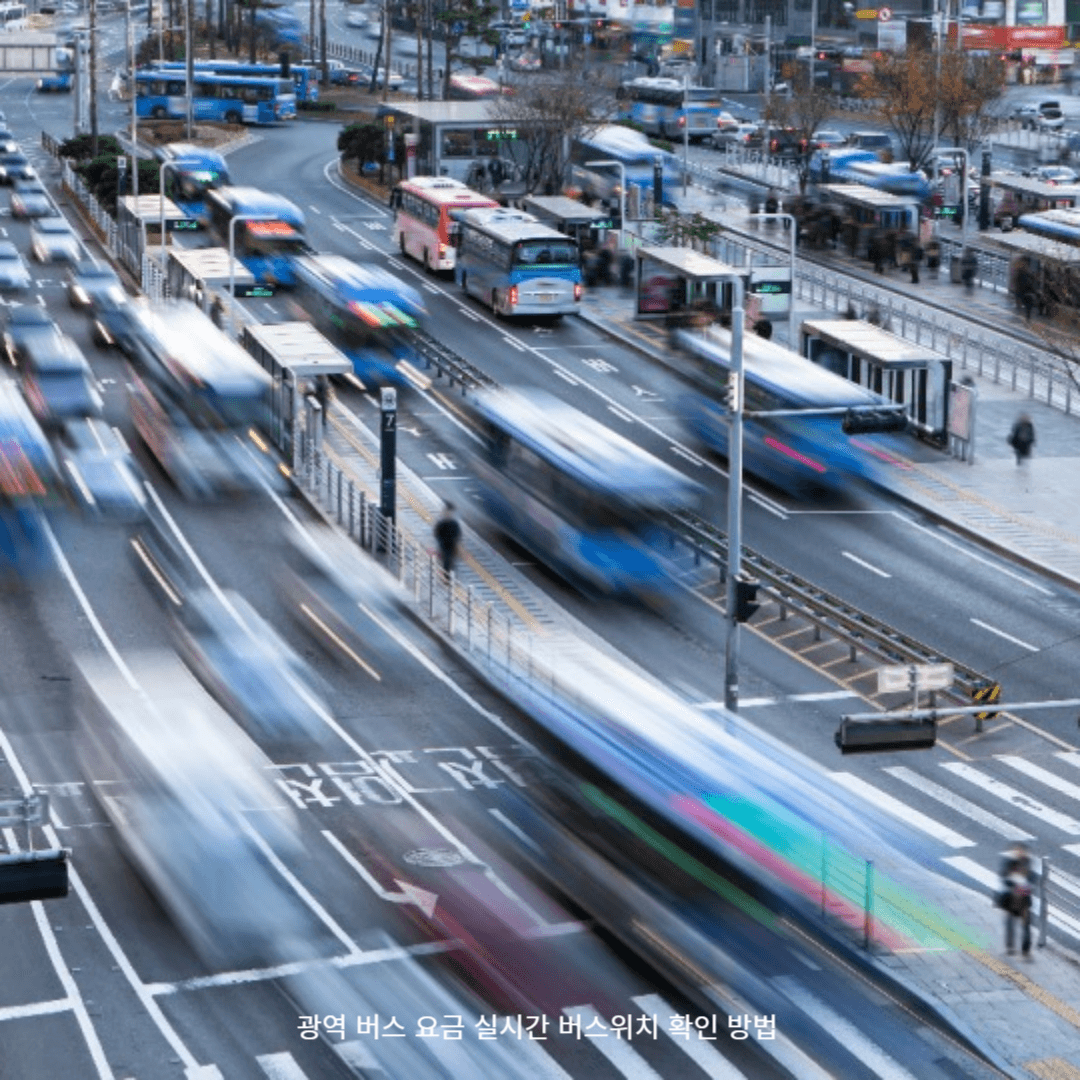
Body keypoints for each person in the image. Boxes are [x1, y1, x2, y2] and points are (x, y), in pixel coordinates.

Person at [999, 843, 1036, 957]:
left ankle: (1025, 949)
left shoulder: (1027, 863)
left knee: (1025, 926)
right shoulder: (1010, 862)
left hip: (1023, 901)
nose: (1018, 853)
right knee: (1010, 924)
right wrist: (1015, 884)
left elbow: (1032, 879)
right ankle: (1010, 947)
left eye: (1020, 851)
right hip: (1012, 900)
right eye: (1016, 851)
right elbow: (1004, 878)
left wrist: (1022, 885)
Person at [433, 502, 462, 575]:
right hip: (446, 546)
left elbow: (436, 533)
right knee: (447, 563)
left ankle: (447, 576)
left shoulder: (450, 523)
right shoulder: (451, 524)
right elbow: (458, 535)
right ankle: (448, 576)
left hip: (448, 546)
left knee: (448, 563)